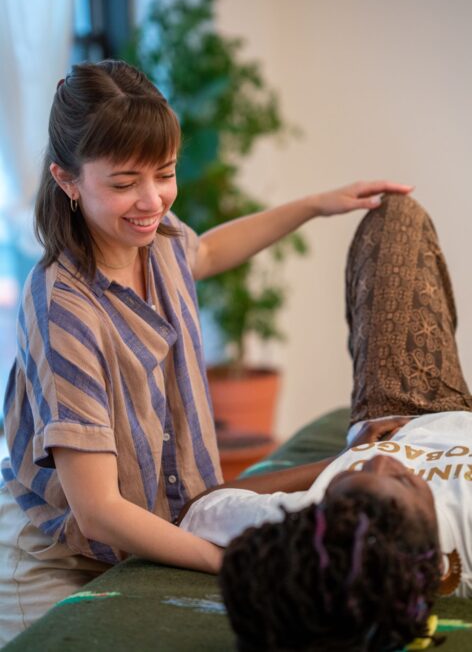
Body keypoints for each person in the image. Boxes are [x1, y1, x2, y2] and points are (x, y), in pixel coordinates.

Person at [0, 59, 411, 646]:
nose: (152, 200)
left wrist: (316, 204)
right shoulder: (61, 307)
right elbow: (98, 513)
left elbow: (209, 253)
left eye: (164, 174)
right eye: (123, 183)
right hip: (55, 559)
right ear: (66, 179)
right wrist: (237, 566)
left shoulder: (157, 238)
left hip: (152, 532)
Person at [179, 193, 472, 652]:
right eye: (397, 489)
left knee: (395, 215)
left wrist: (343, 460)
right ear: (424, 562)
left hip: (404, 411)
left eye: (352, 487)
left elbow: (200, 509)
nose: (377, 467)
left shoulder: (319, 531)